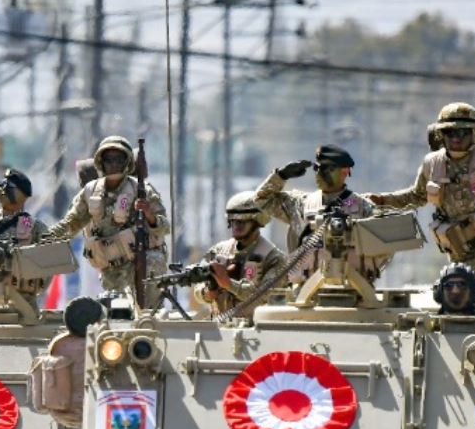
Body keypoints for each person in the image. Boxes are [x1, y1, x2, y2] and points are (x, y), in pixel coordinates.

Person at [366, 103, 475, 289]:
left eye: (463, 132)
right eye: (450, 133)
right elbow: (416, 196)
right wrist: (383, 200)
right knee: (458, 297)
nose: (456, 138)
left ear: (474, 134)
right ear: (440, 135)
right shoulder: (433, 165)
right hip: (463, 254)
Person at [42, 135, 170, 305]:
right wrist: (45, 239)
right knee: (117, 315)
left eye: (119, 159)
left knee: (148, 314)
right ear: (101, 163)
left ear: (127, 162)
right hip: (112, 270)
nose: (114, 164)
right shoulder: (90, 192)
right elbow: (71, 223)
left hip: (143, 264)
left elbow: (164, 227)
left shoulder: (141, 190)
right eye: (109, 160)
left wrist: (148, 214)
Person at [253, 145, 379, 284]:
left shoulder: (364, 208)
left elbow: (384, 248)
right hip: (305, 293)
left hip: (355, 291)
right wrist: (281, 176)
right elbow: (261, 200)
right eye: (317, 168)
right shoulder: (301, 205)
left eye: (327, 169)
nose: (319, 173)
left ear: (345, 171)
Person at [192, 192, 286, 320]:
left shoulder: (274, 258)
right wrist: (206, 293)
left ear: (257, 221)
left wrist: (229, 284)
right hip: (219, 327)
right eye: (234, 220)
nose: (236, 226)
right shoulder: (219, 250)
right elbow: (198, 288)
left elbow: (262, 296)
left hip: (256, 332)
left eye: (243, 221)